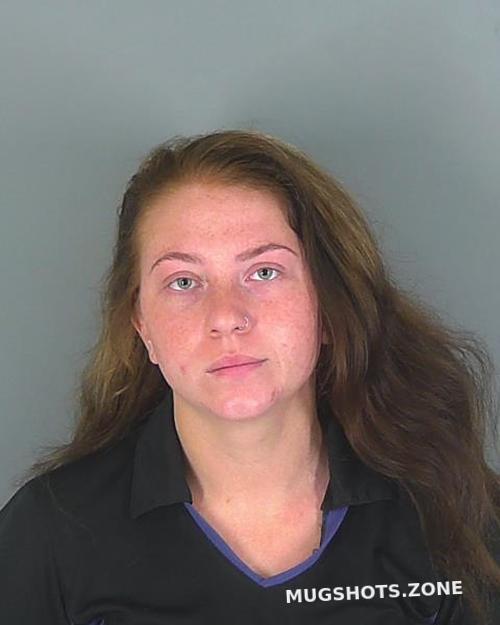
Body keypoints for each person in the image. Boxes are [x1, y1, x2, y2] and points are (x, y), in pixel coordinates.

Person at [0, 129, 499, 624]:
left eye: (264, 272)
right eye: (184, 281)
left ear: (330, 307)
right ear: (142, 326)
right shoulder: (51, 532)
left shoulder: (454, 513)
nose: (226, 316)